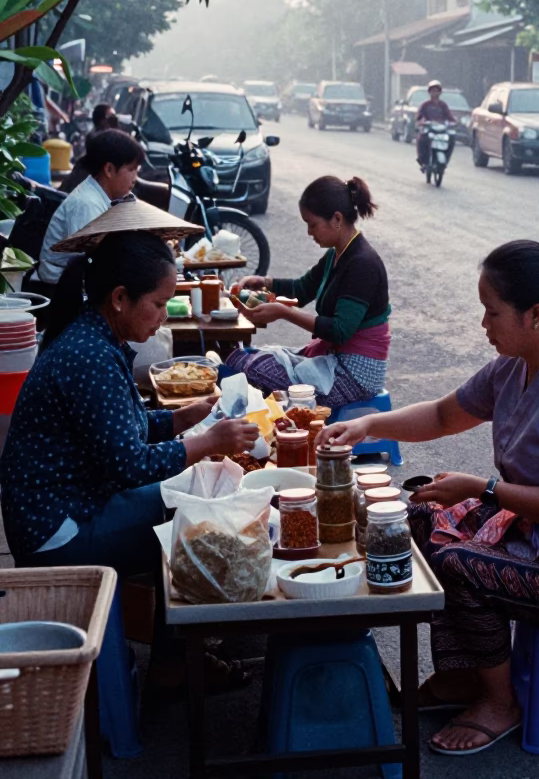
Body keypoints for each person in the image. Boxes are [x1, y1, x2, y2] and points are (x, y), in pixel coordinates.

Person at [319, 240, 539, 757]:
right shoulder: (514, 368)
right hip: (537, 535)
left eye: (492, 313)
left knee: (457, 563)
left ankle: (501, 700)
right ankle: (464, 675)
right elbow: (447, 414)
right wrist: (365, 425)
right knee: (421, 520)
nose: (484, 324)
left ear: (534, 315)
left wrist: (480, 487)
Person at [0, 230, 258, 685]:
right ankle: (177, 661)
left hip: (73, 505)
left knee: (184, 499)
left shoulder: (97, 338)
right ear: (120, 297)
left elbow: (122, 431)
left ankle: (176, 653)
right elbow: (128, 466)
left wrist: (182, 420)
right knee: (191, 521)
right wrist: (207, 442)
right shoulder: (90, 356)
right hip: (58, 530)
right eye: (158, 305)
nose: (162, 318)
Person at [226, 175, 390, 406]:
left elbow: (339, 331)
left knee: (246, 369)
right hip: (334, 360)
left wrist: (284, 312)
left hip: (355, 376)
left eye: (312, 225)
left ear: (336, 219)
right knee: (248, 355)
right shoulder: (337, 254)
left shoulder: (362, 263)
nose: (309, 232)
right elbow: (302, 289)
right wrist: (263, 282)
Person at [38, 129, 144, 283]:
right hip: (61, 289)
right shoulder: (87, 204)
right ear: (109, 170)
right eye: (131, 170)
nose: (135, 179)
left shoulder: (100, 196)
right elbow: (94, 263)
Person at [61, 103, 120, 193]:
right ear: (102, 120)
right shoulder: (98, 137)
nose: (114, 119)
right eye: (111, 116)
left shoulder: (104, 135)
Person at [415, 80, 456, 169]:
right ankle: (423, 160)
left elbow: (449, 116)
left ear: (440, 92)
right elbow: (419, 116)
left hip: (441, 129)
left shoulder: (443, 105)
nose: (435, 93)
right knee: (422, 139)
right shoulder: (425, 105)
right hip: (429, 128)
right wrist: (421, 122)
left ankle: (446, 159)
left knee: (452, 139)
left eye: (437, 91)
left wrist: (453, 123)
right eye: (433, 91)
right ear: (429, 92)